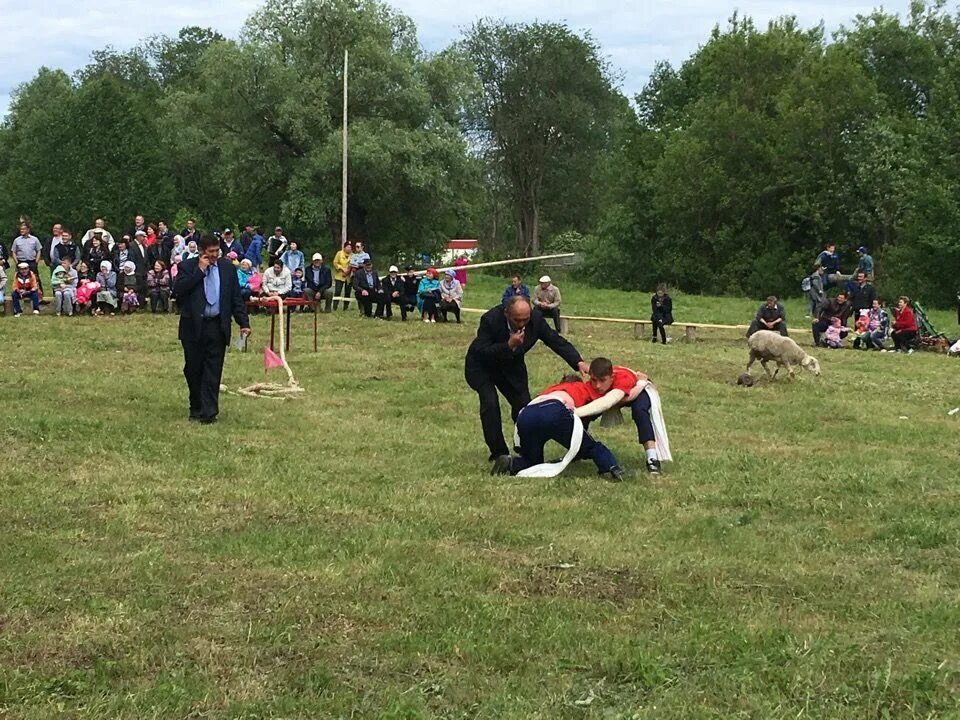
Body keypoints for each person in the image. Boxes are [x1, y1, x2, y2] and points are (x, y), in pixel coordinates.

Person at [465, 295, 589, 472]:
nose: (522, 324)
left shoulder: (536, 320)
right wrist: (508, 345)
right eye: (517, 320)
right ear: (506, 313)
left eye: (526, 319)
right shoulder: (490, 319)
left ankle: (525, 447)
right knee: (490, 403)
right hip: (482, 367)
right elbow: (481, 350)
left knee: (524, 407)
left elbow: (554, 340)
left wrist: (578, 362)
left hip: (511, 368)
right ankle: (499, 453)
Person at [172, 234, 251, 423]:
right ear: (202, 252)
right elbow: (178, 291)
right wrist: (200, 270)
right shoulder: (187, 267)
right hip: (193, 326)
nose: (214, 255)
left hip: (217, 326)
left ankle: (209, 412)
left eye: (217, 251)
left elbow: (235, 299)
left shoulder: (227, 269)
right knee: (193, 369)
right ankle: (196, 406)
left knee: (213, 370)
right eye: (211, 252)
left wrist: (243, 323)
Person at [510, 370, 624, 481]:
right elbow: (595, 407)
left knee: (532, 463)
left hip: (526, 414)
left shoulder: (550, 389)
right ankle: (611, 466)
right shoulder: (581, 387)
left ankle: (511, 464)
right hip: (556, 410)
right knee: (591, 446)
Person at [567, 358, 672, 476]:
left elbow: (625, 397)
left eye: (602, 380)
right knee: (584, 415)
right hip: (613, 395)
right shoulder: (591, 386)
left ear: (611, 378)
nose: (597, 385)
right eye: (594, 380)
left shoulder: (623, 379)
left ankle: (652, 458)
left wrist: (642, 383)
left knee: (639, 411)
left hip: (638, 388)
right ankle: (577, 450)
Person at [12, 222, 42, 291]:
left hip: (31, 262)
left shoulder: (35, 239)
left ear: (28, 230)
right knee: (19, 279)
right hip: (21, 262)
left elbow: (39, 251)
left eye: (24, 229)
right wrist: (17, 262)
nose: (22, 231)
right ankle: (19, 294)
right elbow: (13, 252)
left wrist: (36, 262)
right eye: (21, 229)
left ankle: (39, 297)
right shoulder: (16, 240)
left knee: (35, 278)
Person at [332, 241, 353, 311]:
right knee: (337, 291)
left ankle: (345, 307)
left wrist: (348, 271)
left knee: (347, 292)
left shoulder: (353, 255)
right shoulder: (339, 253)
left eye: (350, 247)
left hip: (348, 276)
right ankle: (335, 307)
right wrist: (341, 268)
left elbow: (354, 264)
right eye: (348, 247)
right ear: (344, 247)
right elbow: (335, 263)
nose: (349, 248)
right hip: (339, 275)